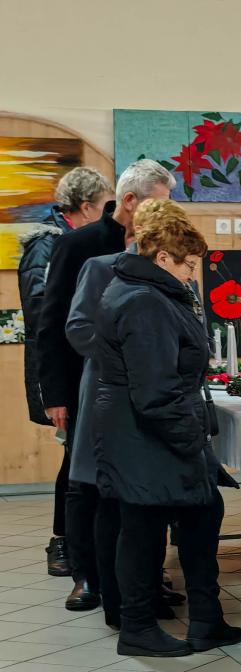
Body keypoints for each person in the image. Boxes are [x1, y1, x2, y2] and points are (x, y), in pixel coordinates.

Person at [94, 206, 240, 657]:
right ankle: (137, 628)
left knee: (202, 514)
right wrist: (192, 441)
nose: (192, 273)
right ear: (162, 258)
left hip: (147, 427)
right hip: (145, 431)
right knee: (143, 530)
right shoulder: (144, 301)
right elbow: (155, 391)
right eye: (188, 264)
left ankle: (207, 620)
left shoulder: (146, 291)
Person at [35, 159, 172, 611]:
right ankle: (86, 576)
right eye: (157, 202)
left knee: (138, 483)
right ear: (129, 201)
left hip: (142, 387)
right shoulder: (78, 245)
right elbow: (53, 323)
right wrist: (55, 394)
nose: (164, 211)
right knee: (86, 483)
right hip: (85, 382)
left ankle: (140, 575)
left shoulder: (157, 245)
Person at [66, 200, 190, 628]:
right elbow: (77, 327)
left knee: (148, 504)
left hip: (155, 395)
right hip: (113, 393)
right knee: (112, 502)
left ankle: (148, 588)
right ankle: (113, 597)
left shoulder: (175, 272)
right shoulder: (101, 268)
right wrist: (130, 359)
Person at [17, 167, 112, 577]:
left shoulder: (72, 240)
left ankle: (79, 541)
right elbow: (44, 314)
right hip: (61, 367)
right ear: (87, 207)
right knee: (74, 456)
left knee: (76, 453)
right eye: (105, 204)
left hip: (77, 364)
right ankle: (62, 541)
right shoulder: (48, 244)